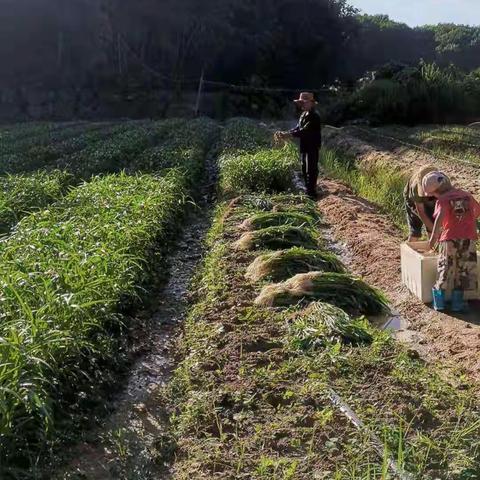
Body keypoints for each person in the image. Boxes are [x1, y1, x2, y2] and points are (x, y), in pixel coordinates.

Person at [424, 171, 480, 312]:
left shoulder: (443, 200)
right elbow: (477, 212)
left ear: (437, 191)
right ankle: (457, 303)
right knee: (464, 269)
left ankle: (440, 303)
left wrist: (432, 239)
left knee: (445, 268)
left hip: (449, 240)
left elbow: (439, 221)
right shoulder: (467, 196)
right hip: (468, 238)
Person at [275, 92, 322, 199]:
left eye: (304, 103)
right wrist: (286, 132)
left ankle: (312, 192)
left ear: (311, 103)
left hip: (312, 145)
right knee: (304, 167)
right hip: (305, 145)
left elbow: (305, 131)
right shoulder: (303, 115)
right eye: (301, 102)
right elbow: (298, 128)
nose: (302, 105)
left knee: (311, 168)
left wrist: (289, 135)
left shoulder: (314, 117)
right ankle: (308, 189)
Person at [404, 165, 438, 242]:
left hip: (432, 200)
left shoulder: (442, 183)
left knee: (432, 222)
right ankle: (410, 249)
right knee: (415, 230)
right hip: (412, 200)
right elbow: (420, 211)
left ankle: (433, 248)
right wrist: (434, 230)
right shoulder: (415, 188)